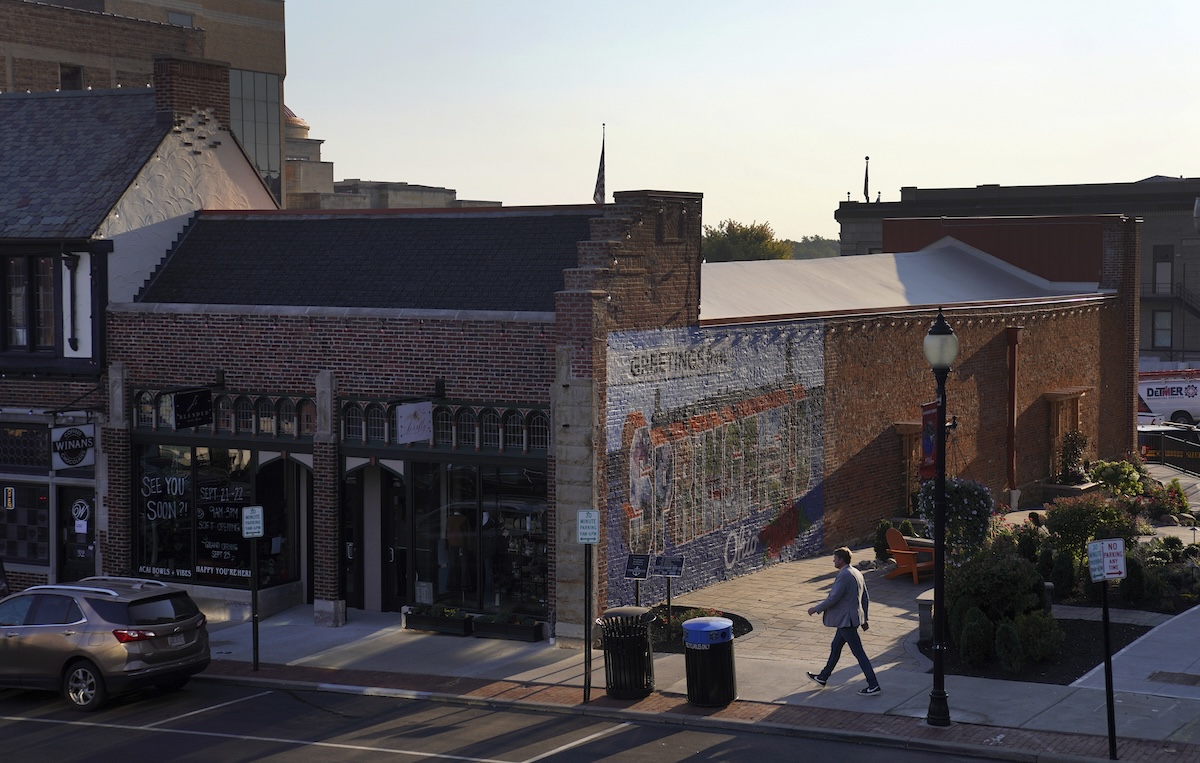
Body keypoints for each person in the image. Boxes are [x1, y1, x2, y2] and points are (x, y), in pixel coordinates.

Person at [806, 546, 880, 695]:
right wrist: (864, 618)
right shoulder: (857, 572)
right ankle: (823, 677)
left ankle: (873, 685)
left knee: (859, 653)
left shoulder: (844, 575)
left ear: (841, 560)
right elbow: (865, 597)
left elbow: (833, 598)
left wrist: (816, 608)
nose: (833, 561)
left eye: (835, 559)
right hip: (852, 619)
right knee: (835, 647)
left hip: (846, 621)